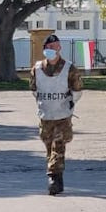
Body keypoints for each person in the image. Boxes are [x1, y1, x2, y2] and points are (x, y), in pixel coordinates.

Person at [29, 34, 83, 195]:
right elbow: (33, 90)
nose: (52, 50)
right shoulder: (37, 69)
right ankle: (58, 178)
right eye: (49, 48)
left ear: (60, 48)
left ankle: (53, 177)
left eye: (55, 47)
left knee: (58, 145)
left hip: (62, 115)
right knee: (49, 146)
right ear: (45, 49)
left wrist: (69, 104)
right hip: (45, 115)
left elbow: (77, 90)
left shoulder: (69, 68)